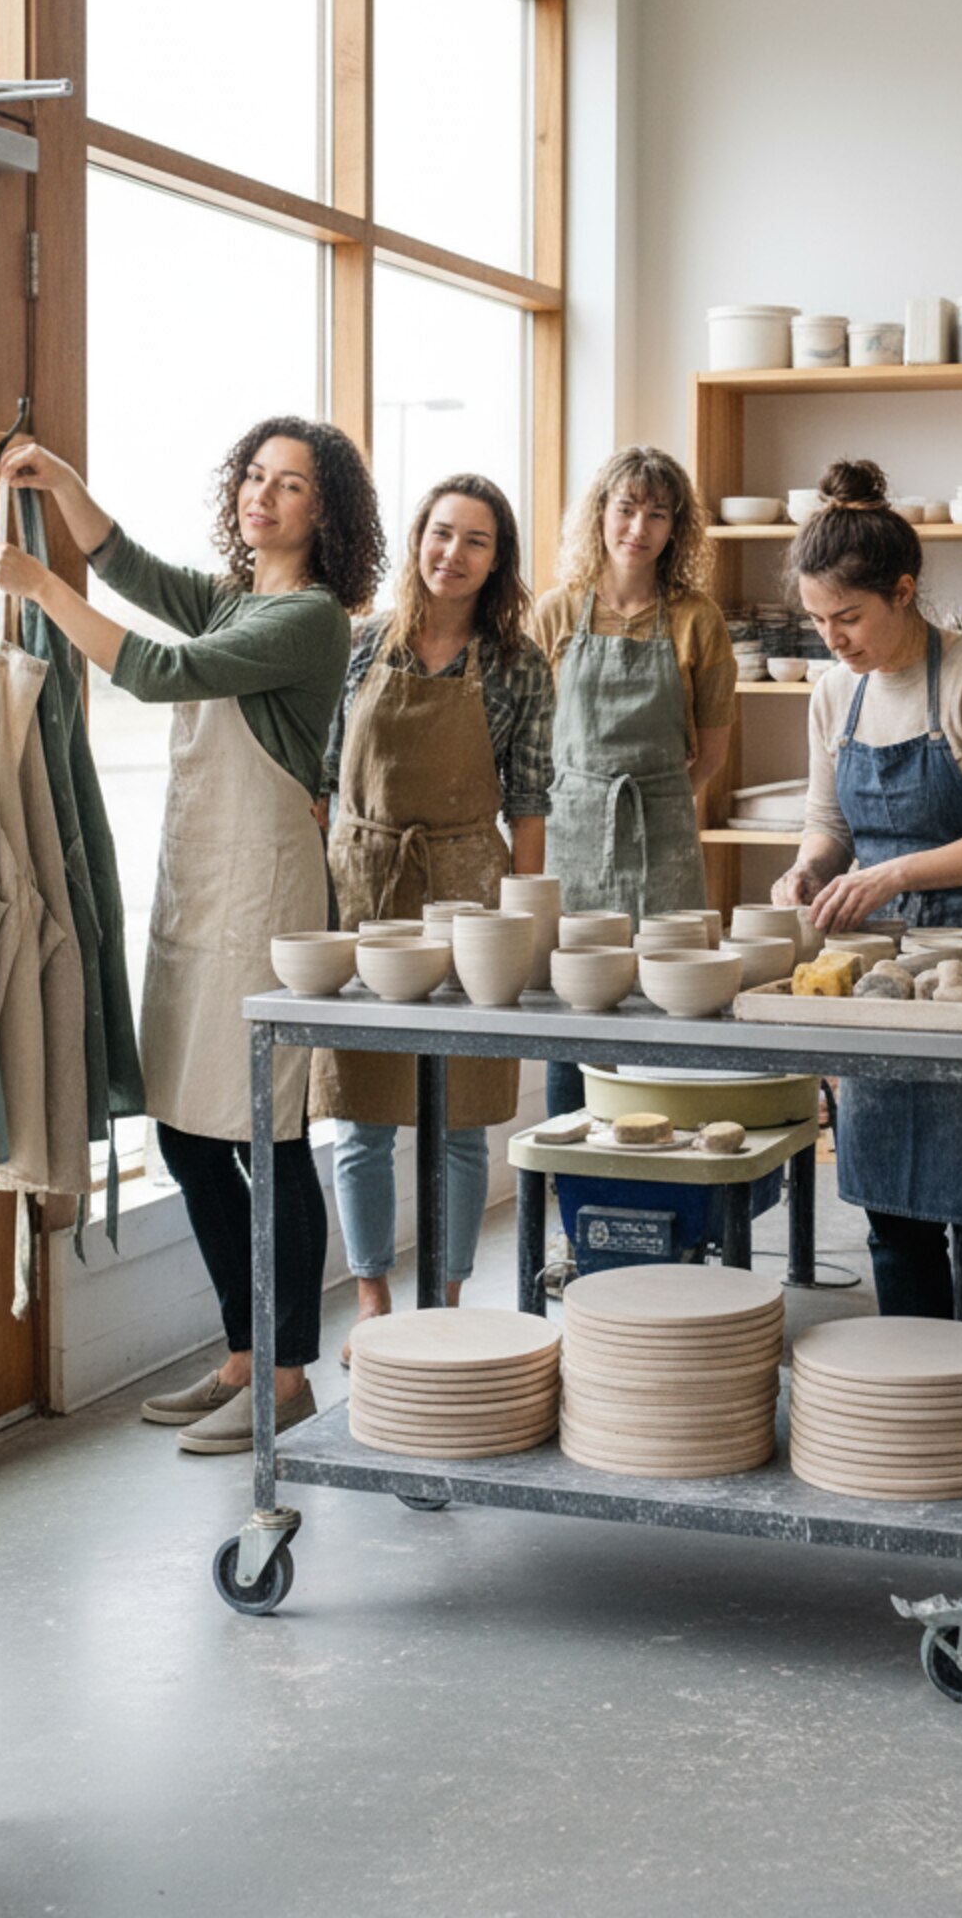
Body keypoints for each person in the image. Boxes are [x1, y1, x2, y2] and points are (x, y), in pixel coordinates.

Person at [0, 418, 381, 1454]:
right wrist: (66, 482)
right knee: (188, 1130)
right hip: (204, 889)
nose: (264, 496)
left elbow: (156, 669)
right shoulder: (236, 596)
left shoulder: (309, 620)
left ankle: (287, 1373)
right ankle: (244, 1353)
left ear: (325, 512)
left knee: (267, 1128)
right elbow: (133, 568)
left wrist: (38, 586)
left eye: (291, 485)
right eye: (255, 475)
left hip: (268, 901)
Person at [767, 457, 962, 1403]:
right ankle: (918, 1415)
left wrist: (888, 873)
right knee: (890, 1210)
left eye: (848, 617)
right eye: (818, 620)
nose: (833, 638)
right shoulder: (830, 694)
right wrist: (811, 866)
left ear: (904, 591)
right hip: (879, 979)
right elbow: (830, 824)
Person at [313, 475, 554, 1361]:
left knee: (459, 1117)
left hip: (466, 889)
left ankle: (444, 1297)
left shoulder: (519, 662)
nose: (454, 554)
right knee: (361, 1114)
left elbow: (530, 805)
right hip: (366, 884)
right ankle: (373, 1298)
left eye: (477, 540)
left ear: (499, 560)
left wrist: (521, 928)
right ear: (419, 539)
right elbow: (321, 775)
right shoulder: (362, 642)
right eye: (442, 534)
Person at [530, 445, 734, 1112]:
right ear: (600, 514)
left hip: (662, 832)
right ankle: (569, 1172)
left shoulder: (698, 620)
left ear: (676, 529)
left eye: (657, 514)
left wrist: (665, 801)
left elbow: (710, 753)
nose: (639, 528)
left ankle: (658, 1162)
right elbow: (533, 738)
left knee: (667, 1001)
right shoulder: (556, 614)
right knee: (577, 1010)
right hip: (573, 831)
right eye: (626, 508)